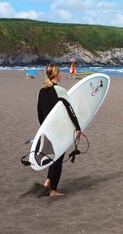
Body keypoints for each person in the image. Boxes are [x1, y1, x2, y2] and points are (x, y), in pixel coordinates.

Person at [37, 63, 82, 196]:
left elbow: (39, 112)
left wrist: (43, 127)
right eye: (60, 72)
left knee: (53, 156)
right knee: (58, 158)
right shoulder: (60, 90)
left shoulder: (42, 90)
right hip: (59, 129)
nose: (61, 74)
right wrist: (77, 127)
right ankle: (53, 190)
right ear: (56, 74)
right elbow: (70, 111)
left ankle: (48, 182)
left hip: (47, 128)